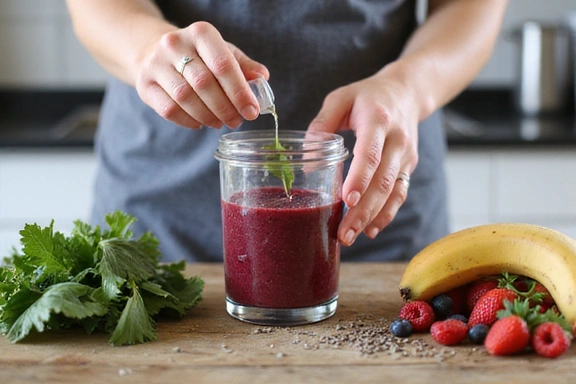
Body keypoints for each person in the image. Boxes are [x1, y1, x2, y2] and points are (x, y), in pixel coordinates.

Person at [66, 0, 508, 262]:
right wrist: (145, 47)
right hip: (161, 211)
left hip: (369, 206)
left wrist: (410, 86)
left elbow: (469, 9)